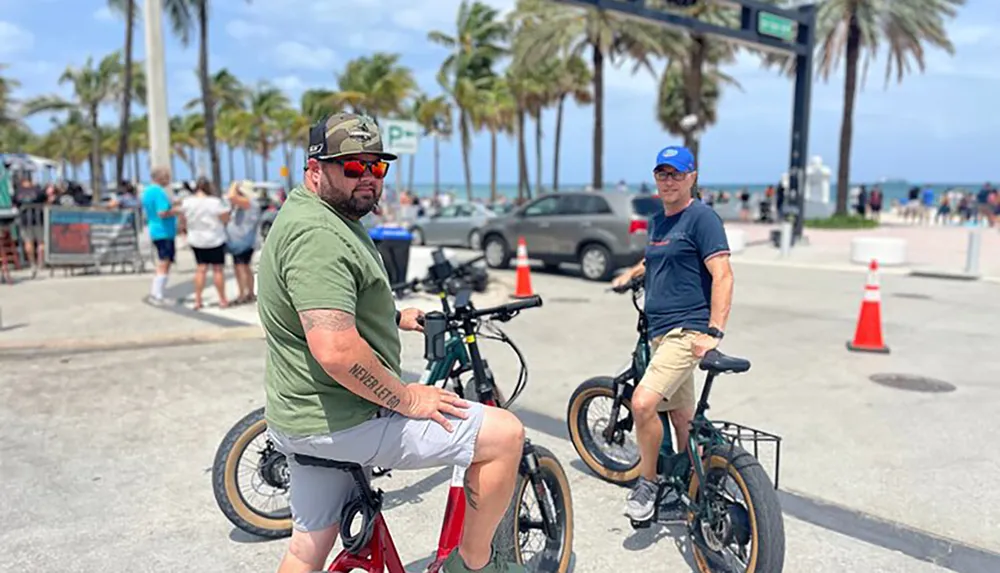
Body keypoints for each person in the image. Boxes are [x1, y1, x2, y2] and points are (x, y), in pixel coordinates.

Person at [257, 112, 527, 573]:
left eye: (376, 166)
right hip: (343, 419)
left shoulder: (319, 213)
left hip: (301, 418)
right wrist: (406, 398)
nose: (368, 178)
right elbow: (336, 351)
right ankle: (475, 563)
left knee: (306, 548)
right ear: (315, 168)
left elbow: (326, 304)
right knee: (505, 435)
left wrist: (394, 317)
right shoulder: (318, 236)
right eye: (353, 167)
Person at [611, 145, 735, 523]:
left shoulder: (702, 218)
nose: (669, 181)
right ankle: (696, 492)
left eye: (676, 174)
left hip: (685, 333)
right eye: (662, 174)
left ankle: (647, 482)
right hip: (660, 333)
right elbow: (654, 257)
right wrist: (630, 274)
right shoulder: (659, 220)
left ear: (692, 177)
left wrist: (714, 332)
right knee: (683, 418)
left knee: (643, 404)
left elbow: (723, 275)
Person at [179, 177, 230, 310]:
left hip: (196, 238)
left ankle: (198, 300)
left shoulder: (187, 202)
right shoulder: (215, 202)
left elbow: (182, 220)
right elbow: (225, 219)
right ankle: (222, 299)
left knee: (201, 269)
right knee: (217, 269)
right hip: (215, 238)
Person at [140, 167, 180, 304]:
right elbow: (162, 212)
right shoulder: (158, 192)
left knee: (164, 261)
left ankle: (158, 293)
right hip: (164, 231)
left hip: (156, 229)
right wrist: (177, 211)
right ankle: (157, 294)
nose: (169, 179)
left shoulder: (147, 191)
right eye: (166, 176)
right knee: (165, 261)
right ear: (159, 178)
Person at [225, 180, 262, 305]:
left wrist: (234, 184)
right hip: (241, 241)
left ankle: (243, 294)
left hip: (243, 241)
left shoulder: (248, 202)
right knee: (244, 267)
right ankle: (249, 293)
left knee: (240, 267)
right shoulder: (247, 203)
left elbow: (230, 196)